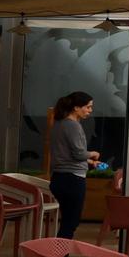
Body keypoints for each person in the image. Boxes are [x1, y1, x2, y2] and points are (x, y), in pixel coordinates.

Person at [48, 92, 99, 241]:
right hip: (72, 180)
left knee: (67, 221)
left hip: (59, 178)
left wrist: (89, 163)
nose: (90, 110)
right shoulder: (73, 126)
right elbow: (79, 154)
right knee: (71, 222)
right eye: (88, 107)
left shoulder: (59, 124)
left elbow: (66, 154)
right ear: (76, 108)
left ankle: (61, 256)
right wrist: (92, 154)